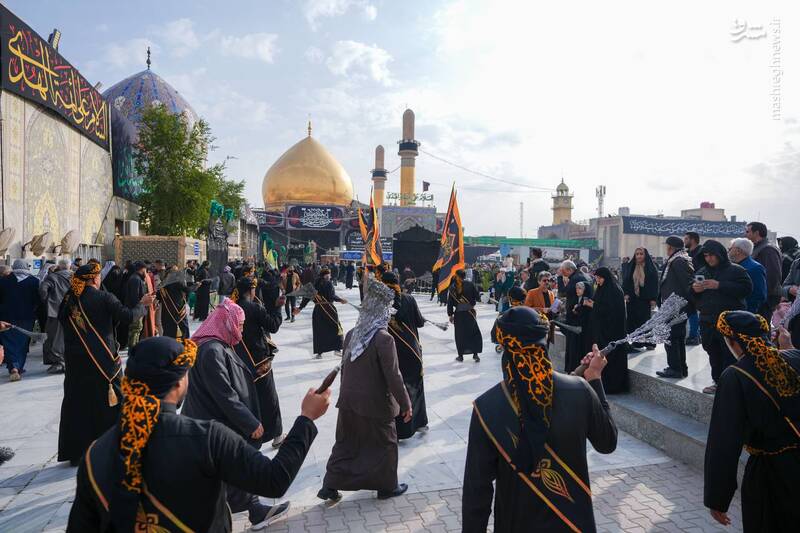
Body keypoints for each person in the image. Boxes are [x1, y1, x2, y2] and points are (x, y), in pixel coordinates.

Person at [66, 336, 330, 532]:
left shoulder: (95, 454)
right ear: (180, 382)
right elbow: (274, 479)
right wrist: (306, 418)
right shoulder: (208, 438)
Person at [463, 307, 617, 532]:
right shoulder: (580, 390)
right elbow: (607, 442)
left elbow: (477, 492)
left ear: (505, 347)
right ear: (544, 342)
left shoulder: (486, 407)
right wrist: (594, 378)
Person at [181, 299, 291, 529]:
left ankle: (250, 509)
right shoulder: (211, 350)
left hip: (214, 420)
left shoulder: (218, 345)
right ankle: (254, 510)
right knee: (233, 464)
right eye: (239, 325)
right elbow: (225, 395)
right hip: (213, 420)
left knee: (224, 470)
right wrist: (250, 423)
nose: (241, 330)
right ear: (227, 323)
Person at [703, 310, 800, 531]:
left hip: (770, 475)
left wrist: (717, 498)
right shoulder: (795, 357)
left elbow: (724, 442)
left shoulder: (735, 375)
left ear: (732, 342)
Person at [317, 281, 412, 502]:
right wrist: (406, 403)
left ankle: (329, 486)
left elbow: (345, 370)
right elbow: (394, 376)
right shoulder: (384, 339)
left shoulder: (352, 334)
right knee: (386, 443)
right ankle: (387, 487)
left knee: (346, 444)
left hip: (349, 401)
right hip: (375, 404)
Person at [57, 263, 153, 465]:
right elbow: (127, 316)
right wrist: (142, 304)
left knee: (78, 403)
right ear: (94, 279)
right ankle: (116, 445)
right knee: (111, 402)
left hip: (76, 361)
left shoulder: (69, 299)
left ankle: (77, 451)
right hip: (103, 359)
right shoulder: (104, 297)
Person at [692, 240, 753, 394]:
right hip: (707, 321)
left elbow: (747, 289)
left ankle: (731, 386)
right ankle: (718, 382)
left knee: (730, 354)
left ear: (720, 254)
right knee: (713, 353)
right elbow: (690, 293)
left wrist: (719, 285)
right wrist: (694, 289)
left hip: (729, 322)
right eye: (706, 256)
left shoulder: (736, 270)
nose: (709, 259)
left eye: (712, 255)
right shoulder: (702, 271)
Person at [233, 276, 286, 448]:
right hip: (259, 362)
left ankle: (250, 436)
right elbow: (273, 326)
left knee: (247, 400)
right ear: (251, 290)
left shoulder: (233, 308)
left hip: (239, 361)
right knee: (269, 399)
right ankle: (277, 435)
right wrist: (278, 308)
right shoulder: (254, 308)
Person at [381, 271, 428, 439]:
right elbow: (420, 323)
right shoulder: (409, 299)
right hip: (412, 351)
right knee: (415, 386)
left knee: (395, 388)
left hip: (391, 352)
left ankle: (400, 429)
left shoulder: (380, 302)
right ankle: (419, 423)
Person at [584, 268, 628, 393]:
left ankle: (611, 386)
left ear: (606, 277)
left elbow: (612, 311)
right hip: (601, 331)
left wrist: (593, 305)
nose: (597, 280)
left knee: (610, 358)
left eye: (599, 278)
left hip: (611, 332)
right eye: (596, 278)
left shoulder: (614, 290)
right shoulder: (602, 288)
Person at [656, 236, 695, 379]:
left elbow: (686, 285)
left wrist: (684, 305)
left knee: (672, 338)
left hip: (676, 307)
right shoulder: (677, 259)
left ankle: (675, 368)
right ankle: (680, 368)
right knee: (676, 337)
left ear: (670, 247)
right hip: (674, 305)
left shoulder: (678, 261)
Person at [0, 259, 40, 381]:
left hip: (6, 317)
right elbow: (37, 300)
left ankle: (13, 367)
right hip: (26, 317)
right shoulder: (34, 281)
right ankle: (19, 367)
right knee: (22, 342)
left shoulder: (3, 281)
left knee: (9, 343)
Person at [298, 268, 347, 359]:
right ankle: (337, 349)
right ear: (325, 275)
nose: (330, 276)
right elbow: (332, 296)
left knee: (319, 331)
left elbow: (306, 298)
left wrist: (300, 308)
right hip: (329, 309)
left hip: (318, 310)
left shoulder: (314, 284)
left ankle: (319, 353)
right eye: (329, 274)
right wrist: (340, 300)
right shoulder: (328, 283)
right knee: (336, 328)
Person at [622, 247, 659, 352]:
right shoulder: (631, 266)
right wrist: (626, 293)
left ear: (645, 255)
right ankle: (637, 342)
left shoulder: (651, 268)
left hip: (645, 299)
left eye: (641, 254)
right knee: (634, 321)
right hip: (632, 299)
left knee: (646, 322)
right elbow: (626, 281)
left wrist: (653, 299)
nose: (639, 256)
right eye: (637, 254)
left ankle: (649, 342)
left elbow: (654, 284)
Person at [38, 259, 72, 374]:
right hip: (73, 310)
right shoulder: (76, 277)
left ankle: (59, 362)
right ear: (69, 266)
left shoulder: (52, 277)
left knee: (54, 336)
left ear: (59, 267)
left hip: (55, 310)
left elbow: (42, 289)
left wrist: (47, 301)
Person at [745, 222, 782, 325]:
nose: (745, 234)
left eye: (748, 232)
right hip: (759, 295)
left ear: (756, 233)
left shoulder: (768, 249)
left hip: (766, 297)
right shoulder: (757, 248)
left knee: (762, 327)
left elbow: (773, 276)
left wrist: (762, 296)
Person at [562, 260, 594, 373]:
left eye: (563, 271)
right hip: (578, 321)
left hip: (578, 322)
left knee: (576, 348)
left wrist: (576, 309)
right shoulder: (581, 276)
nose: (577, 291)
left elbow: (564, 292)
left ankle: (574, 369)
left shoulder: (576, 278)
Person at [447, 269, 483, 362]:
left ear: (456, 276)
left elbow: (450, 302)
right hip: (470, 313)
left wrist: (450, 314)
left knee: (460, 335)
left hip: (459, 314)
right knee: (473, 333)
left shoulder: (452, 287)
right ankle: (475, 354)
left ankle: (460, 356)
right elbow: (477, 297)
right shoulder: (470, 284)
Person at [728, 238, 767, 315]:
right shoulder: (732, 266)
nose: (728, 251)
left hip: (746, 313)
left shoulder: (755, 268)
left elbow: (759, 294)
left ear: (738, 251)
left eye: (730, 249)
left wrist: (747, 312)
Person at [157, 266, 194, 341]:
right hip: (179, 308)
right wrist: (196, 286)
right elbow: (188, 290)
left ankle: (168, 343)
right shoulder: (177, 282)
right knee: (183, 327)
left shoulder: (162, 284)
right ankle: (184, 343)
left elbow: (158, 296)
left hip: (167, 310)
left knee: (168, 328)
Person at [684, 232, 705, 345]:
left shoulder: (701, 252)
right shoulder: (687, 253)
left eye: (686, 239)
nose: (684, 241)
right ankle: (694, 335)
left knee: (695, 310)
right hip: (689, 286)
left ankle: (695, 336)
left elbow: (702, 271)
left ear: (693, 240)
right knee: (690, 310)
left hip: (698, 286)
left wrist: (699, 285)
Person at [124, 261, 148, 349]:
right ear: (142, 269)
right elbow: (135, 296)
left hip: (136, 309)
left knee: (137, 329)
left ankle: (134, 348)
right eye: (145, 270)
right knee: (135, 329)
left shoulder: (136, 278)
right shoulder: (136, 279)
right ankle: (133, 350)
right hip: (135, 310)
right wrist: (138, 308)